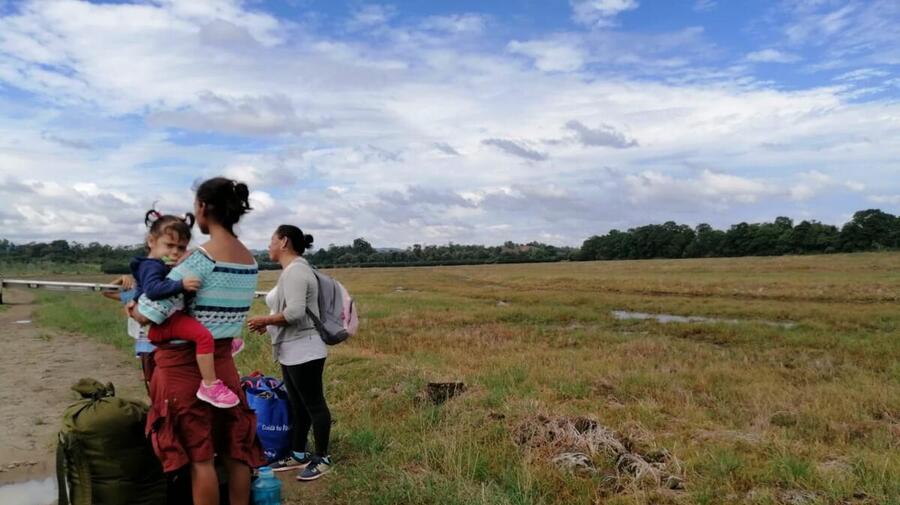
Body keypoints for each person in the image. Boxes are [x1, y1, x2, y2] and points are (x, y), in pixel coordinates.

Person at [129, 177, 265, 505]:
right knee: (236, 452)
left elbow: (149, 313)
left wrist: (131, 304)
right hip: (223, 367)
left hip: (184, 369)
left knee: (200, 458)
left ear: (202, 208)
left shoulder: (199, 259)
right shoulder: (250, 261)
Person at [247, 225, 333, 481]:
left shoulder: (296, 271)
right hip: (291, 349)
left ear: (284, 241)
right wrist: (271, 322)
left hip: (304, 349)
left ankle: (323, 458)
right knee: (298, 405)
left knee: (314, 404)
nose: (268, 246)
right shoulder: (291, 270)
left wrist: (266, 319)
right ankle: (298, 453)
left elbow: (295, 313)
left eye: (271, 240)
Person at [131, 210, 239, 408]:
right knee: (203, 336)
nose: (174, 252)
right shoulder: (151, 266)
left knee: (202, 323)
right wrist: (181, 284)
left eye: (180, 247)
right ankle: (209, 385)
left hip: (171, 317)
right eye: (169, 245)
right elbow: (153, 290)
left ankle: (220, 345)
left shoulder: (163, 264)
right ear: (151, 241)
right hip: (165, 322)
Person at [101, 275, 156, 390]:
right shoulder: (133, 294)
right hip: (145, 346)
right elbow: (105, 291)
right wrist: (120, 280)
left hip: (162, 345)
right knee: (150, 381)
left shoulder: (160, 291)